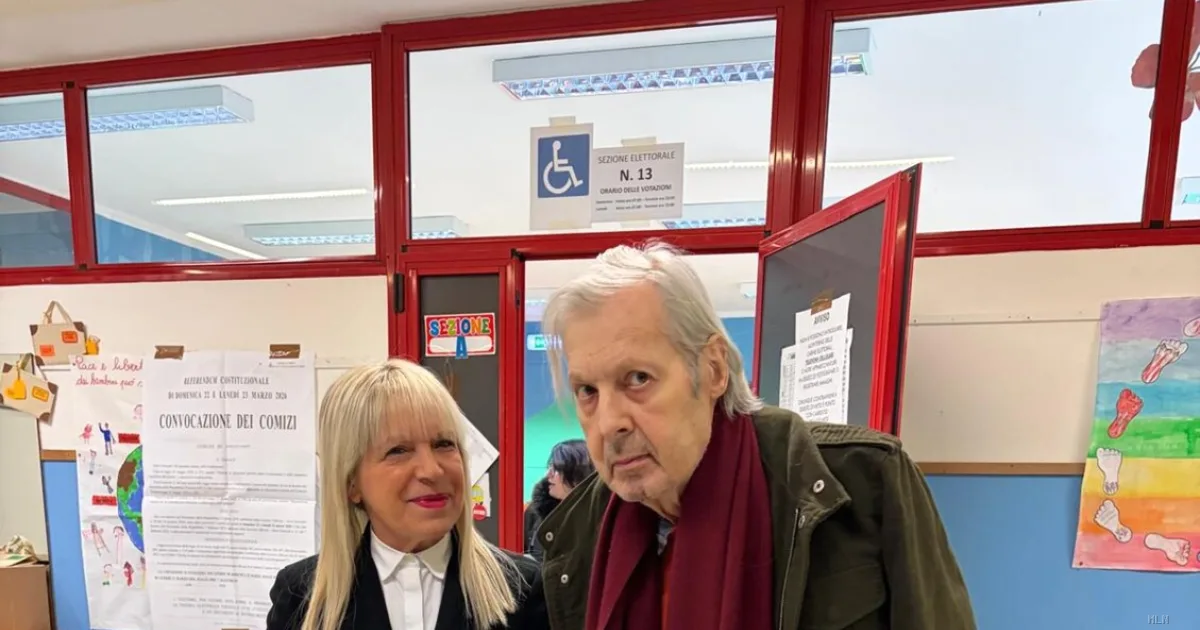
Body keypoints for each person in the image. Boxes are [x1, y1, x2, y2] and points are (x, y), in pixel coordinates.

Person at [535, 241, 976, 630]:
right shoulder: (579, 535)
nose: (609, 423)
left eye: (638, 378)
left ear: (713, 370)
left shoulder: (859, 481)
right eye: (587, 391)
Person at [266, 359, 550, 630]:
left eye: (444, 444)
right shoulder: (300, 597)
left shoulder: (523, 590)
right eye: (398, 451)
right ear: (351, 484)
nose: (432, 470)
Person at [523, 439, 593, 560]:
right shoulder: (535, 512)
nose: (548, 475)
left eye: (557, 469)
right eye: (550, 467)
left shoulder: (599, 519)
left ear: (578, 474)